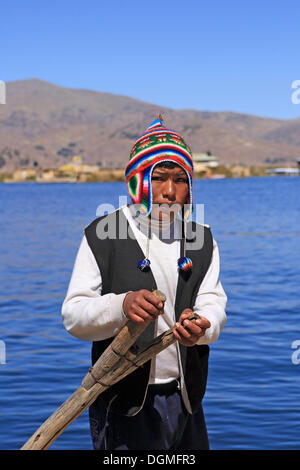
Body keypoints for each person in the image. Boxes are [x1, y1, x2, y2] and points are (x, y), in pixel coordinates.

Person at [61, 116, 227, 450]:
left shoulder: (201, 239)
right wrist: (120, 306)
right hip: (123, 403)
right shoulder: (102, 235)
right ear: (137, 181)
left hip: (186, 400)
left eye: (180, 180)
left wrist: (203, 325)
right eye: (159, 178)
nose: (169, 191)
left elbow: (213, 302)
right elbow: (74, 316)